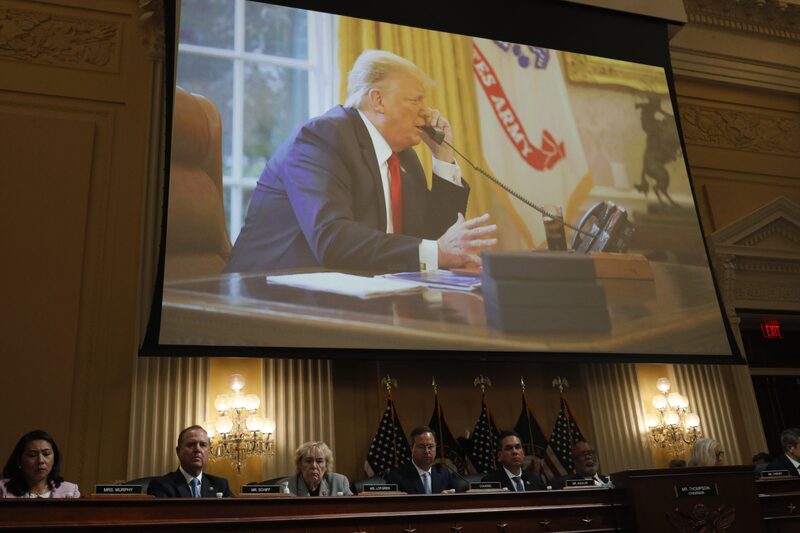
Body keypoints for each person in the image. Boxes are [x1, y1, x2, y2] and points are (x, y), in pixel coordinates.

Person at [225, 49, 497, 274]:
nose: (426, 112)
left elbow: (433, 238)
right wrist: (436, 251)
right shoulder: (322, 138)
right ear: (378, 100)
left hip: (356, 296)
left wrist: (443, 157)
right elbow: (333, 239)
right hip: (269, 294)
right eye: (416, 101)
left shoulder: (404, 157)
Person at [147, 425, 233, 498]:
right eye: (191, 444)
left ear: (209, 451)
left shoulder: (221, 485)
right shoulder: (161, 486)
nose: (198, 449)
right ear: (178, 451)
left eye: (203, 445)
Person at [386, 426, 466, 494]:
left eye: (430, 446)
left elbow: (461, 497)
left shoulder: (444, 474)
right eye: (421, 447)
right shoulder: (396, 477)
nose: (427, 451)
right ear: (411, 449)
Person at [0, 430, 79, 498]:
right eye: (32, 455)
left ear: (55, 458)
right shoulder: (2, 489)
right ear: (19, 461)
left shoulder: (70, 491)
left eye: (46, 454)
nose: (40, 460)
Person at [286, 441, 352, 496]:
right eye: (308, 461)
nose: (314, 466)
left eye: (319, 461)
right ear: (300, 464)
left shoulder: (339, 482)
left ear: (326, 465)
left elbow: (352, 508)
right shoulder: (287, 486)